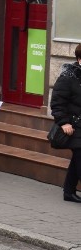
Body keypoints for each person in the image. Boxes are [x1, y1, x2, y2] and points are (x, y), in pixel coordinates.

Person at [49, 43, 81, 203]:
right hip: (74, 126)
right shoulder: (68, 77)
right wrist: (64, 122)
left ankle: (68, 191)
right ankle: (69, 192)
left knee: (77, 160)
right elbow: (57, 102)